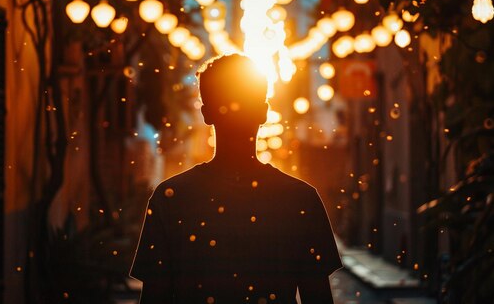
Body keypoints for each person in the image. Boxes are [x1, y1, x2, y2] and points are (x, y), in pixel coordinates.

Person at [130, 54, 342, 304]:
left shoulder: (171, 198)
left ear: (206, 113)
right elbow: (318, 298)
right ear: (264, 112)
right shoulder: (300, 199)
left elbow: (154, 298)